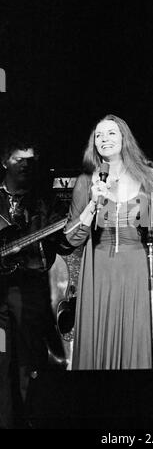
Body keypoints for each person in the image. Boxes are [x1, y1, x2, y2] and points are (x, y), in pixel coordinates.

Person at [64, 114, 153, 370]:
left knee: (136, 338)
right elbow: (73, 237)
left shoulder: (146, 178)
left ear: (124, 139)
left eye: (111, 133)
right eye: (99, 135)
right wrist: (92, 205)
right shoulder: (86, 181)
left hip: (137, 268)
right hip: (99, 270)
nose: (104, 139)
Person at [0, 138, 66, 429]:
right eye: (19, 159)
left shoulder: (43, 201)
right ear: (5, 162)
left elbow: (61, 244)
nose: (25, 165)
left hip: (28, 289)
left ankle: (31, 422)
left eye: (30, 160)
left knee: (30, 362)